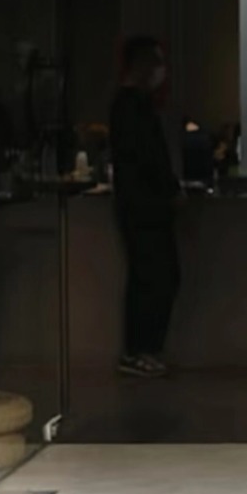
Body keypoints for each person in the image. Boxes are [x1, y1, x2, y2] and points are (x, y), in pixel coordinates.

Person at [108, 35, 182, 377]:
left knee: (153, 278)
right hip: (144, 208)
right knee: (153, 278)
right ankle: (140, 349)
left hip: (141, 206)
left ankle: (144, 348)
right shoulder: (132, 107)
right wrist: (169, 189)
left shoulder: (131, 106)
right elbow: (149, 158)